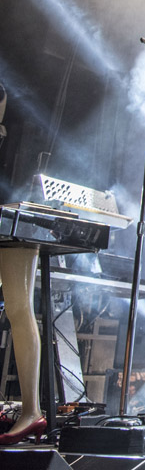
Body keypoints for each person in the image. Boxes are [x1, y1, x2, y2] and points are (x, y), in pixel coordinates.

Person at [0, 84, 46, 447]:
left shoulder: (18, 118)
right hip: (13, 209)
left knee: (19, 308)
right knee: (19, 309)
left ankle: (31, 411)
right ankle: (29, 412)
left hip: (14, 213)